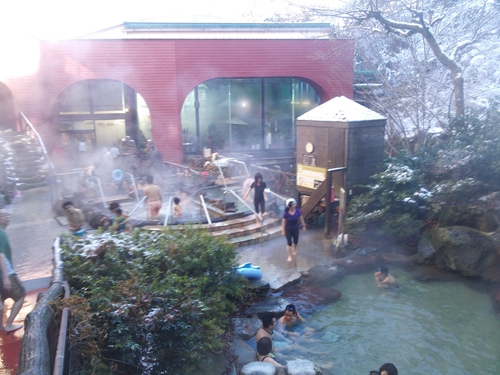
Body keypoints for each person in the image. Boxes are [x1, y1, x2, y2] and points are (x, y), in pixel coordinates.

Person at [0, 209, 26, 333]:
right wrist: (6, 276)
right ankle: (9, 324)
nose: (7, 217)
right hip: (6, 272)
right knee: (21, 295)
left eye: (8, 215)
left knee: (2, 299)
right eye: (3, 215)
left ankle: (1, 326)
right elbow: (0, 255)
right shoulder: (1, 234)